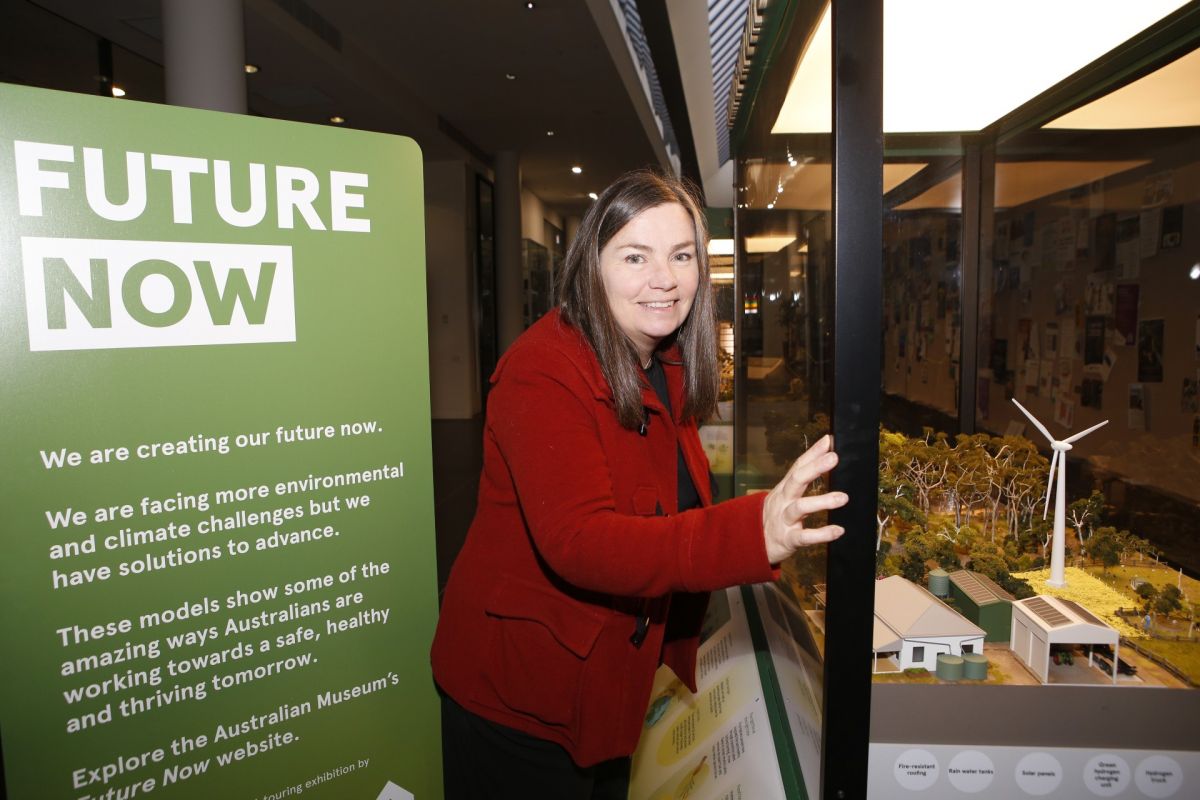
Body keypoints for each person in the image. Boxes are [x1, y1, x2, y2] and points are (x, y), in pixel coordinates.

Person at [431, 170, 847, 798]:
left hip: (606, 683)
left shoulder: (661, 359)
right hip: (522, 698)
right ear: (590, 266)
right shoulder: (542, 372)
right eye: (635, 256)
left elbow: (658, 506)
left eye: (682, 256)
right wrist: (749, 531)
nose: (665, 278)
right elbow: (581, 541)